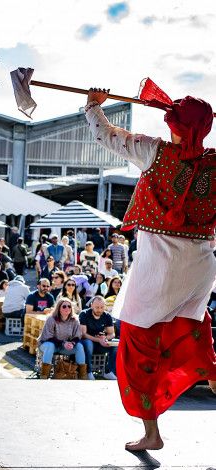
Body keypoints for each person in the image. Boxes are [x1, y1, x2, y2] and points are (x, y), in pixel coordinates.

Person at [85, 87, 216, 450]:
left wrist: (94, 104)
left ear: (173, 124)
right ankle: (211, 371)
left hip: (159, 267)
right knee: (193, 332)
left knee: (138, 348)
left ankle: (151, 433)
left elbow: (106, 135)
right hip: (200, 268)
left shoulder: (153, 151)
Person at [37, 297, 87, 379]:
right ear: (59, 308)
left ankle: (82, 376)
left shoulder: (74, 320)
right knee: (50, 345)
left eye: (69, 306)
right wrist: (64, 343)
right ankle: (44, 375)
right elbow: (48, 337)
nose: (67, 308)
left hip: (64, 346)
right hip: (47, 344)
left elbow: (77, 336)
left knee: (79, 346)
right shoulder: (51, 319)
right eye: (64, 306)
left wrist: (72, 343)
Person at [79, 295, 117, 380]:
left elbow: (112, 333)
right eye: (97, 307)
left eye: (102, 307)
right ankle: (88, 372)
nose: (99, 309)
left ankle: (108, 371)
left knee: (116, 345)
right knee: (88, 343)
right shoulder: (84, 314)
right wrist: (99, 340)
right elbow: (83, 334)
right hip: (87, 341)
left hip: (101, 342)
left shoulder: (107, 315)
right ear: (91, 305)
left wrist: (105, 338)